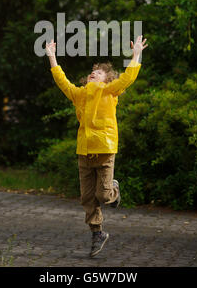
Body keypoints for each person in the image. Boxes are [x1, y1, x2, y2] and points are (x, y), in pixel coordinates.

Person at [45, 35, 148, 257]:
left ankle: (114, 189)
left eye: (99, 72)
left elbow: (128, 77)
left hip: (105, 149)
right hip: (84, 152)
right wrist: (52, 56)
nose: (94, 73)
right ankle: (97, 233)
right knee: (87, 198)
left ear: (107, 80)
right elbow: (62, 81)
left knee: (103, 196)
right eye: (92, 71)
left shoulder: (110, 92)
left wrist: (136, 54)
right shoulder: (79, 95)